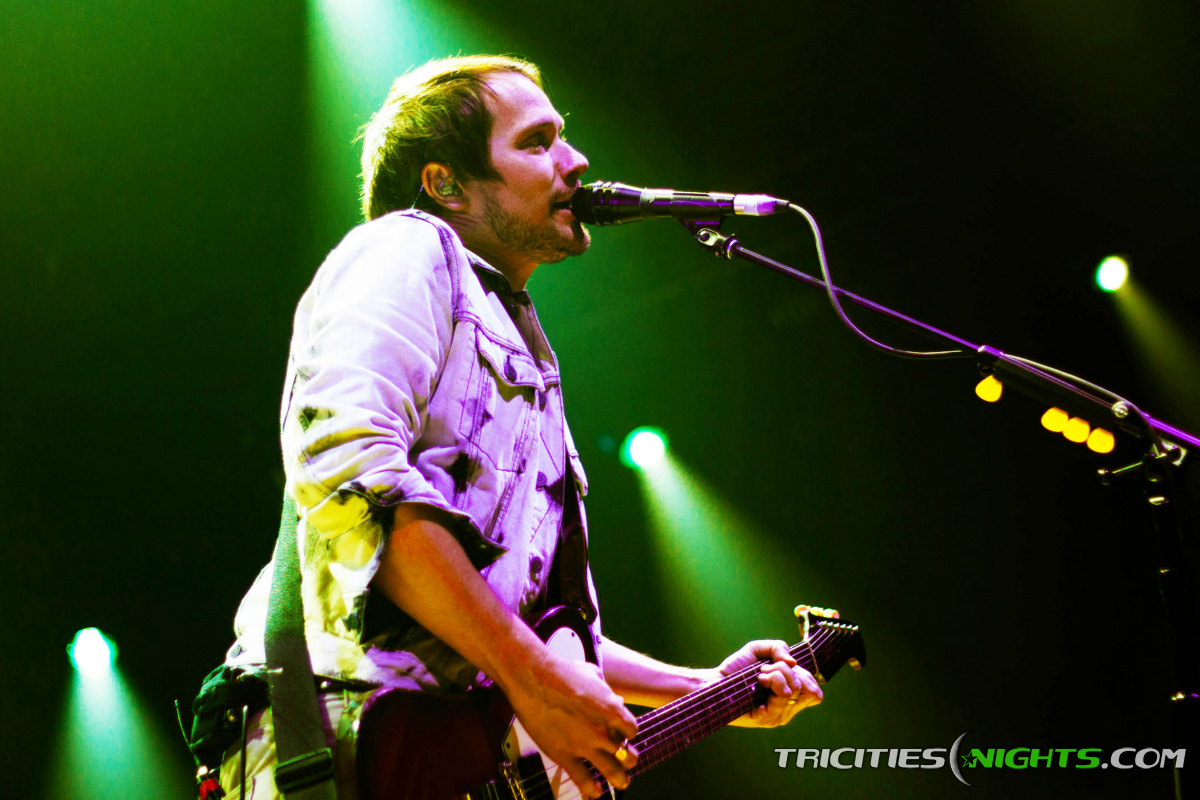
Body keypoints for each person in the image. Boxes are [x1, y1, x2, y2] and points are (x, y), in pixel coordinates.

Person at [200, 54, 823, 800]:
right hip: (354, 736)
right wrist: (534, 680)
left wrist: (701, 686)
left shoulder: (521, 339)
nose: (576, 160)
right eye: (536, 142)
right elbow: (352, 479)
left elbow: (525, 623)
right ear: (447, 185)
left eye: (564, 135)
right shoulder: (405, 247)